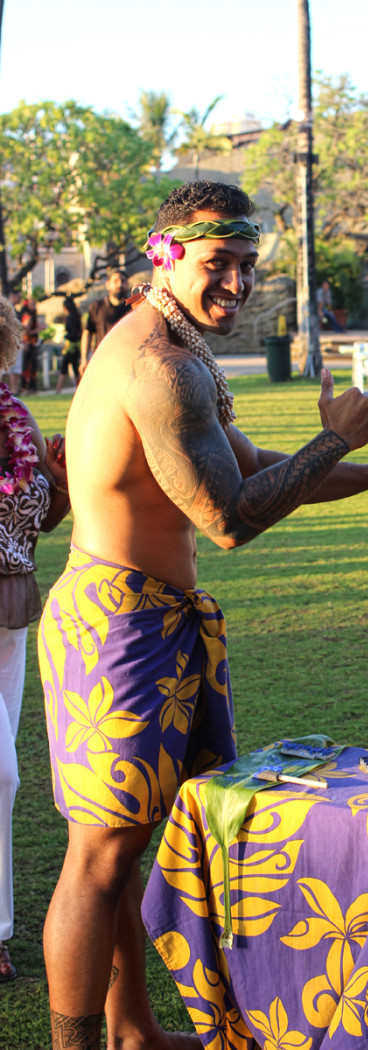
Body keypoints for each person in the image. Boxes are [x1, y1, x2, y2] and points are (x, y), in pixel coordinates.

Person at [37, 180, 368, 1050]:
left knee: (141, 846)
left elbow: (254, 468)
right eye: (219, 262)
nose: (237, 282)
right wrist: (337, 439)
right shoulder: (158, 365)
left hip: (158, 622)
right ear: (167, 254)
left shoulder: (185, 351)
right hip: (117, 629)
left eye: (248, 265)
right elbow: (225, 520)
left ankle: (134, 1031)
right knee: (101, 857)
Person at [0, 296, 70, 985]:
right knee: (3, 772)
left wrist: (64, 479)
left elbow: (40, 515)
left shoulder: (15, 419)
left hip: (11, 605)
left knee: (0, 780)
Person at [80, 269, 129, 373]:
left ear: (127, 284)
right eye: (115, 281)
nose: (120, 284)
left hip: (127, 362)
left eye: (123, 281)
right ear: (108, 284)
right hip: (102, 360)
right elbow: (87, 332)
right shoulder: (97, 307)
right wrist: (84, 359)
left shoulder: (133, 308)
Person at [55, 296, 83, 394]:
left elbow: (74, 333)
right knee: (73, 368)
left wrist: (66, 336)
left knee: (66, 368)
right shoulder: (77, 316)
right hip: (76, 345)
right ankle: (60, 389)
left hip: (71, 346)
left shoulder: (70, 317)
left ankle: (59, 389)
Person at [19, 298, 40, 394]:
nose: (34, 306)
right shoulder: (28, 316)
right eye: (33, 304)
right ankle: (26, 387)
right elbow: (25, 330)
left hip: (32, 344)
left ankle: (31, 387)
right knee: (28, 366)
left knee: (32, 366)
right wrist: (38, 329)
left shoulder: (33, 316)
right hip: (28, 344)